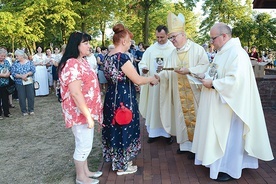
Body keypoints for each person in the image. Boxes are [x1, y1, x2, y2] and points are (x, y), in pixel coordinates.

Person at [191, 22, 274, 182]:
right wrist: (205, 76)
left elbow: (236, 80)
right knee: (220, 136)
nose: (211, 42)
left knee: (230, 138)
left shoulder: (237, 53)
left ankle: (229, 168)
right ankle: (217, 164)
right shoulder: (222, 52)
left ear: (224, 36)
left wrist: (214, 84)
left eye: (213, 38)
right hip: (218, 103)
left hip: (230, 106)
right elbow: (215, 71)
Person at [102, 23, 159, 176]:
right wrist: (152, 79)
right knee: (124, 126)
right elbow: (138, 79)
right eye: (129, 41)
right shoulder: (122, 57)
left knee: (114, 127)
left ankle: (118, 160)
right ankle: (122, 166)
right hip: (123, 98)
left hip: (111, 97)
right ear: (123, 41)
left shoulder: (108, 56)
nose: (130, 44)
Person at [158, 12, 209, 157]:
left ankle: (196, 147)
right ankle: (185, 145)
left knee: (197, 118)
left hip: (195, 94)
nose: (172, 40)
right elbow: (167, 72)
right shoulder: (172, 54)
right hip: (179, 95)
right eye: (171, 37)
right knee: (181, 118)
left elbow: (205, 67)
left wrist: (189, 71)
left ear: (183, 35)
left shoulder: (197, 49)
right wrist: (158, 77)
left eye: (174, 37)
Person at [57, 31, 103, 184]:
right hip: (79, 113)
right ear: (76, 46)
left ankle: (86, 171)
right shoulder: (71, 64)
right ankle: (80, 177)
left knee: (85, 143)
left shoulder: (81, 61)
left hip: (85, 111)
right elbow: (76, 93)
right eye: (86, 43)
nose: (89, 46)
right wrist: (88, 116)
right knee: (84, 145)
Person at [138, 25, 175, 144]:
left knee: (167, 107)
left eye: (162, 37)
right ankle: (153, 133)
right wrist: (144, 68)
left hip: (167, 85)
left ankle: (167, 134)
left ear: (167, 35)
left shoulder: (173, 49)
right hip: (153, 85)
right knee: (153, 108)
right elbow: (143, 62)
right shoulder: (151, 49)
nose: (159, 40)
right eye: (157, 37)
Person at [11, 50, 36, 116]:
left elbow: (33, 70)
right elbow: (13, 73)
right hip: (19, 82)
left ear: (22, 56)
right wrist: (21, 76)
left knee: (30, 96)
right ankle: (24, 110)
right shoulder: (15, 64)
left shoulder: (29, 62)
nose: (16, 57)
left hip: (29, 81)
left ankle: (31, 110)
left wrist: (26, 74)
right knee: (21, 96)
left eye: (17, 56)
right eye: (16, 56)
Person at [0, 48, 12, 119]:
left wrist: (8, 74)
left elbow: (10, 69)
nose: (3, 57)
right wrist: (3, 75)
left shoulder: (7, 62)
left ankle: (6, 112)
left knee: (5, 98)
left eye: (4, 56)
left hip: (5, 83)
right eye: (1, 56)